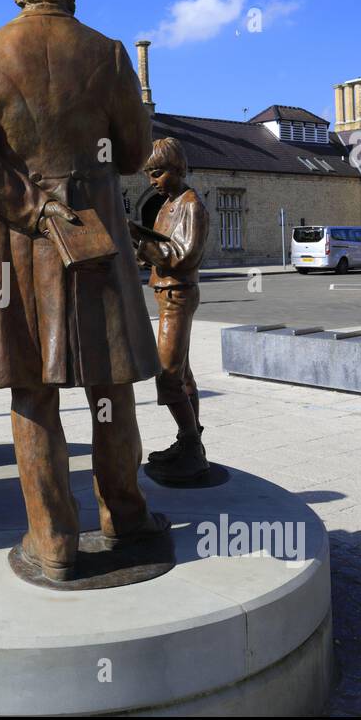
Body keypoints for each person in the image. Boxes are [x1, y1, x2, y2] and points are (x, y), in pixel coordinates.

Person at [0, 0, 165, 582]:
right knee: (110, 388)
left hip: (15, 250)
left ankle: (54, 540)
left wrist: (30, 207)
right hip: (92, 238)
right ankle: (124, 516)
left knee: (32, 392)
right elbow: (130, 157)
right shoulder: (109, 54)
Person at [132, 138, 210, 479]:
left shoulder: (191, 204)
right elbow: (161, 247)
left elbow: (185, 255)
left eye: (158, 173)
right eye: (150, 174)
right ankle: (189, 441)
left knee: (167, 375)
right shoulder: (166, 205)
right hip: (166, 292)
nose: (152, 181)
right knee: (183, 372)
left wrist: (147, 247)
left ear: (177, 168)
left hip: (179, 292)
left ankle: (192, 444)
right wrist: (140, 242)